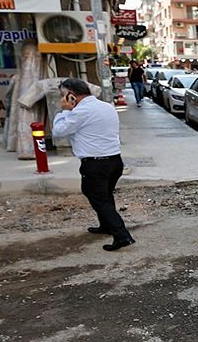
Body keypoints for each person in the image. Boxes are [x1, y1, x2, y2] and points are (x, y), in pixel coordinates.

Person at [53, 78, 136, 252]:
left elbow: (58, 132)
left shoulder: (79, 112)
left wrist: (64, 111)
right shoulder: (106, 106)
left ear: (71, 95)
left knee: (98, 198)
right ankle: (106, 225)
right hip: (114, 161)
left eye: (63, 95)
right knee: (104, 195)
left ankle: (122, 235)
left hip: (96, 164)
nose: (62, 99)